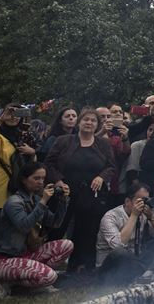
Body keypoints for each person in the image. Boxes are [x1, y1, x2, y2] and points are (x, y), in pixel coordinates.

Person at [44, 107, 116, 271]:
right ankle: (46, 266)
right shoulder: (64, 141)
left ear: (98, 125)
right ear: (79, 122)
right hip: (65, 193)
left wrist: (101, 177)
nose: (89, 123)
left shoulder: (103, 144)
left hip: (90, 195)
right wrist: (58, 181)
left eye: (93, 120)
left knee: (85, 231)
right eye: (86, 119)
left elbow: (111, 167)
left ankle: (77, 268)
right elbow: (49, 163)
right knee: (57, 228)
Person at [0, 162, 73, 299]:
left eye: (43, 178)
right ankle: (4, 281)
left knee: (67, 245)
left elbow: (56, 223)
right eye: (36, 178)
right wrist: (44, 201)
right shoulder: (14, 202)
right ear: (23, 179)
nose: (41, 182)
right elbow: (24, 226)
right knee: (51, 276)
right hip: (5, 260)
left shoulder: (35, 199)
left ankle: (33, 282)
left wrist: (63, 201)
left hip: (26, 255)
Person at [96, 182, 154, 284]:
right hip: (110, 267)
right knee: (120, 252)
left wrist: (152, 217)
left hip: (134, 261)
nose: (144, 204)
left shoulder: (144, 214)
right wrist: (134, 216)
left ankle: (149, 274)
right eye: (141, 200)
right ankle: (139, 277)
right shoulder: (110, 217)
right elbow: (117, 245)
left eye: (147, 200)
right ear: (127, 201)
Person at [0, 105, 37, 252]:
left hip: (20, 190)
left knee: (15, 232)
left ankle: (10, 266)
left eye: (18, 114)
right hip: (0, 189)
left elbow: (33, 167)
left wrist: (33, 152)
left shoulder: (25, 136)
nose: (14, 117)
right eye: (11, 113)